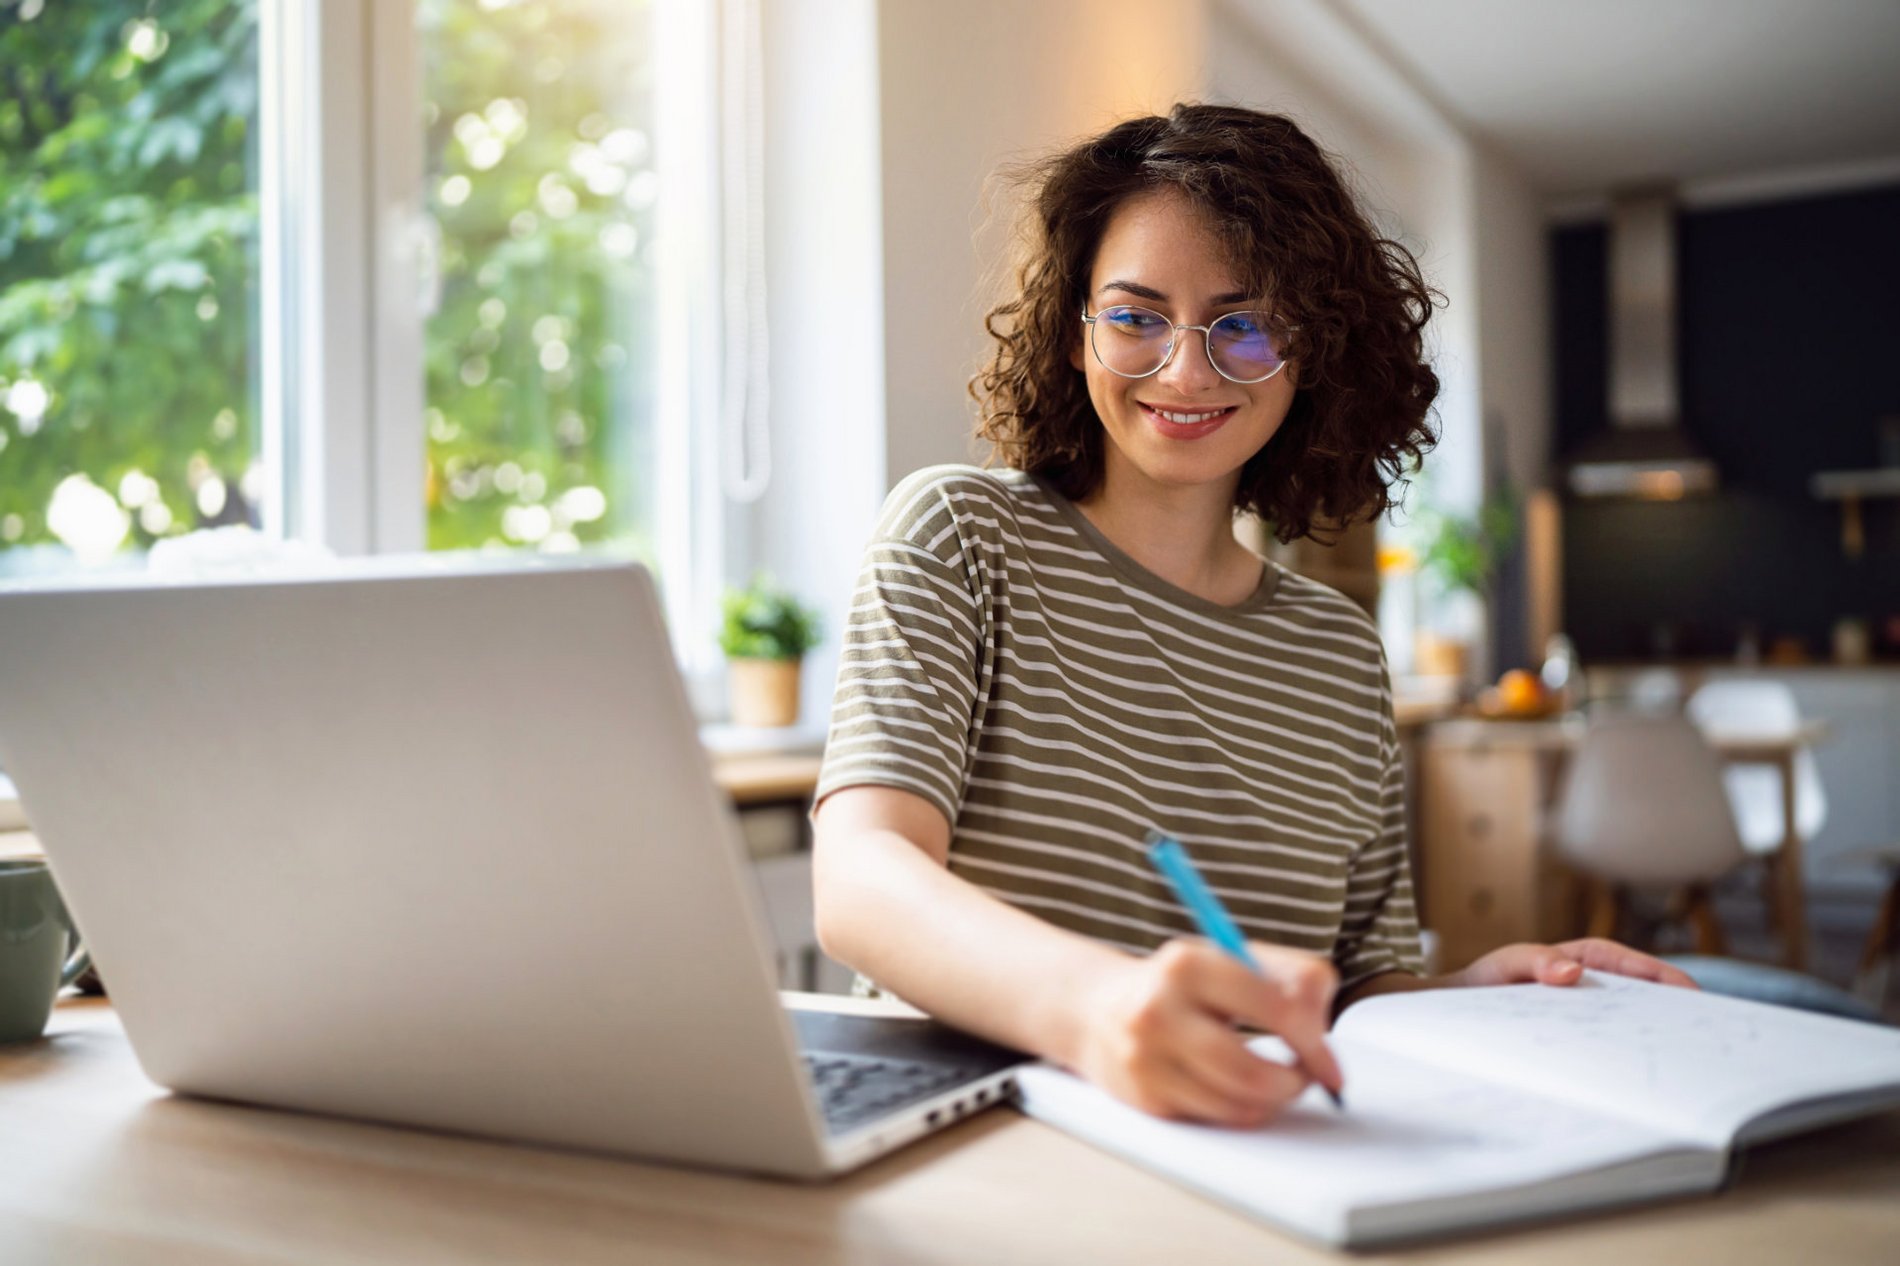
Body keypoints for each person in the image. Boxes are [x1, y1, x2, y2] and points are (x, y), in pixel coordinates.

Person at [810, 103, 1692, 1128]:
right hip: (975, 1133)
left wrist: (1478, 1000)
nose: (1186, 371)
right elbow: (863, 881)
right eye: (1137, 316)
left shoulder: (1337, 653)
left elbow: (1360, 990)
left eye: (1244, 324)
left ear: (1312, 350)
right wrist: (1096, 1008)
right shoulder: (959, 534)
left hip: (1246, 1147)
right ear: (1074, 330)